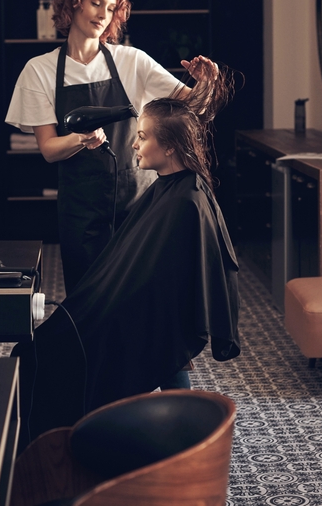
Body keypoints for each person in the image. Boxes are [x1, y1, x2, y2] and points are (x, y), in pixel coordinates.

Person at [14, 79, 240, 443]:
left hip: (142, 317)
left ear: (169, 147)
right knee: (38, 348)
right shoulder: (170, 187)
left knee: (41, 354)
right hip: (139, 312)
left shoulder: (186, 202)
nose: (134, 144)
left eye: (143, 137)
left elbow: (170, 289)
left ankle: (58, 444)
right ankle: (183, 433)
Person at [5, 0, 221, 294]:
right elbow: (49, 149)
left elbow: (196, 107)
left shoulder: (132, 61)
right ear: (74, 2)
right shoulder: (39, 70)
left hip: (139, 202)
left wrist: (206, 83)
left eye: (110, 8)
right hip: (82, 210)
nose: (103, 15)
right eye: (96, 3)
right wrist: (81, 139)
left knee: (141, 294)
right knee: (88, 296)